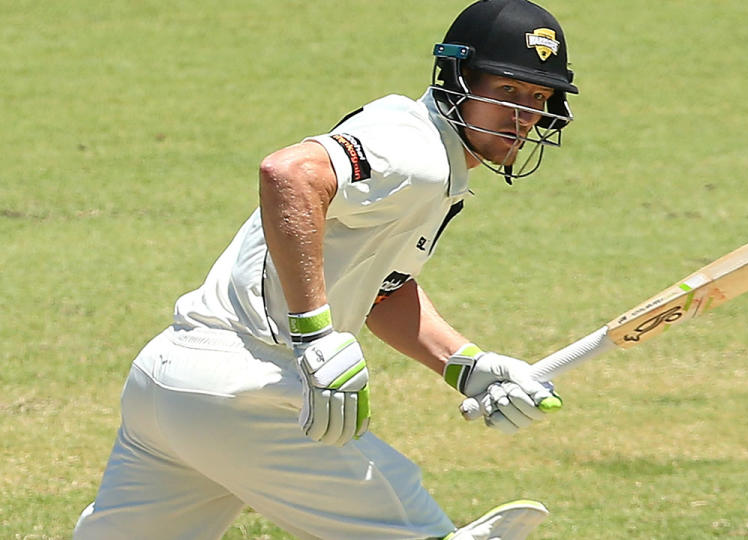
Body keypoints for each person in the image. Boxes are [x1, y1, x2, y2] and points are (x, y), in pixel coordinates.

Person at [74, 0, 579, 538]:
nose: (525, 115)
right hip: (246, 391)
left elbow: (384, 290)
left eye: (538, 97)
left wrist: (464, 363)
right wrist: (315, 335)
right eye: (505, 92)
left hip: (169, 385)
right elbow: (289, 173)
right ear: (458, 79)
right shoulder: (417, 156)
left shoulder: (424, 151)